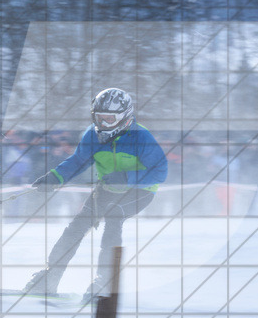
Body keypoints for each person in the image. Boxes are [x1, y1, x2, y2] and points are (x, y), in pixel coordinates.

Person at [23, 88, 167, 303]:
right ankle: (49, 277)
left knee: (113, 217)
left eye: (109, 119)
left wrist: (127, 177)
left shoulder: (141, 136)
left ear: (125, 117)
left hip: (140, 191)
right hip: (107, 189)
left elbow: (160, 172)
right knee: (76, 228)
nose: (104, 124)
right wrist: (54, 178)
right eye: (99, 118)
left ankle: (105, 281)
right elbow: (77, 162)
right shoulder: (93, 134)